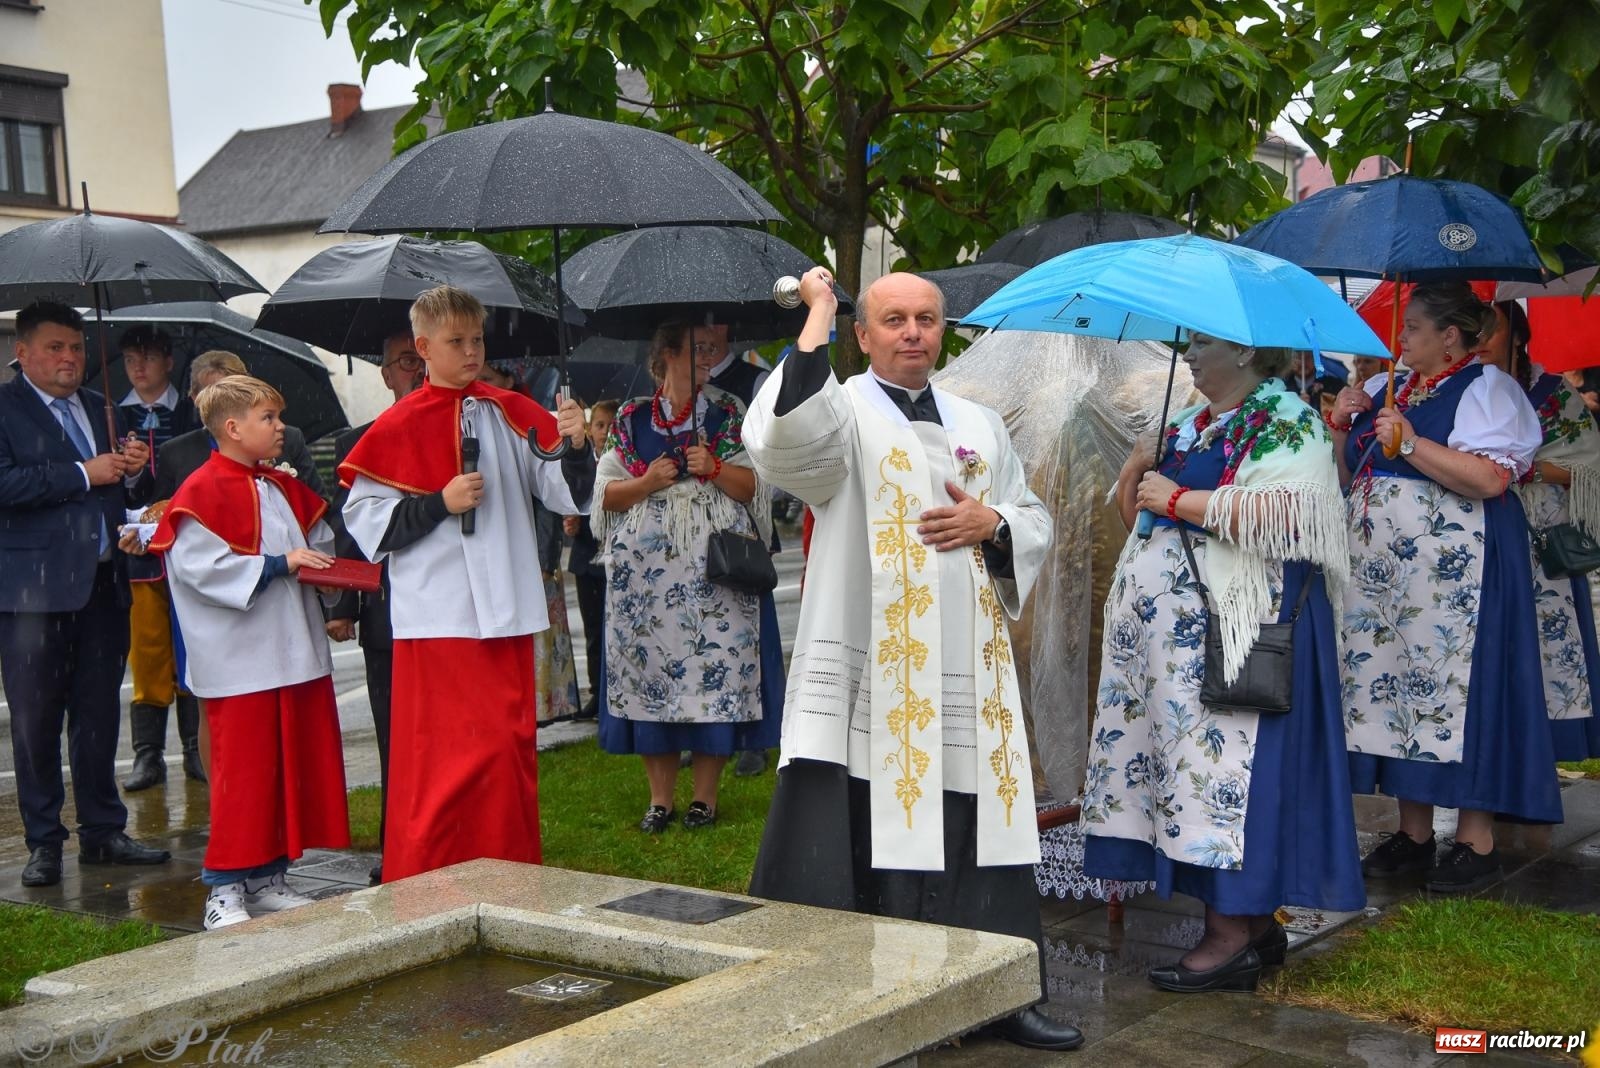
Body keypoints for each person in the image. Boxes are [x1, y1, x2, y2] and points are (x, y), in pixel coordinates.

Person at [743, 270, 1077, 1052]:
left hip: (963, 656)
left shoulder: (980, 421)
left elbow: (1030, 516)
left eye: (927, 319)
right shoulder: (840, 408)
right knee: (861, 813)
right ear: (864, 334)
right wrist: (817, 316)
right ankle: (865, 993)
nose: (913, 333)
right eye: (893, 319)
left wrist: (992, 520)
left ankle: (1000, 993)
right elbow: (787, 444)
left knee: (975, 824)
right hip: (872, 658)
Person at [1081, 333, 1362, 993]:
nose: (1188, 353)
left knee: (1231, 782)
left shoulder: (1290, 425)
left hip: (1239, 633)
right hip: (1171, 652)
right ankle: (1253, 929)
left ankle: (1232, 934)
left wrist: (1176, 499)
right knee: (1189, 781)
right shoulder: (1188, 429)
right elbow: (1140, 521)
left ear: (1243, 353)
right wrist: (1135, 473)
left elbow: (1290, 518)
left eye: (1201, 343)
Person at [340, 286, 591, 882]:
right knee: (442, 761)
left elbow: (566, 493)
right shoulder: (395, 426)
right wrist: (437, 503)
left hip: (504, 609)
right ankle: (432, 877)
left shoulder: (510, 411)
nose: (472, 350)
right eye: (457, 341)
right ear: (423, 347)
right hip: (438, 618)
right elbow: (368, 525)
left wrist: (578, 444)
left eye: (477, 339)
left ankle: (507, 871)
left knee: (503, 753)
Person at [1329, 281, 1561, 893]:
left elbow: (1489, 479)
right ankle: (1414, 834)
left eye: (1412, 330)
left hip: (1461, 568)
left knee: (1461, 691)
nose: (1400, 338)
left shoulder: (1488, 391)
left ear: (1449, 336)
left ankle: (1476, 841)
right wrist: (1342, 426)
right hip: (1391, 582)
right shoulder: (1390, 389)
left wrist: (1409, 440)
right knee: (1401, 689)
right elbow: (1358, 473)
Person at [149, 376, 349, 929]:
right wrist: (281, 564)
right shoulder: (201, 491)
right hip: (240, 662)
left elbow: (317, 540)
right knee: (245, 777)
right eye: (268, 417)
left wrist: (330, 574)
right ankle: (223, 892)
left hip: (290, 651)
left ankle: (267, 880)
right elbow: (198, 571)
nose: (280, 427)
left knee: (284, 773)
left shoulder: (278, 485)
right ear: (232, 428)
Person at [1, 301, 170, 889]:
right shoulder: (4, 408)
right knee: (36, 721)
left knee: (98, 714)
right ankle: (44, 841)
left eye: (75, 347)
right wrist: (84, 472)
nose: (70, 358)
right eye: (55, 348)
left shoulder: (103, 409)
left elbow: (127, 488)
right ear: (21, 353)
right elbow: (5, 484)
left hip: (103, 586)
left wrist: (132, 471)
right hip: (33, 596)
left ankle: (103, 831)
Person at [594, 321, 777, 831]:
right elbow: (603, 497)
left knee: (711, 667)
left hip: (712, 569)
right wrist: (648, 481)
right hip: (646, 575)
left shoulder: (725, 414)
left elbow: (755, 489)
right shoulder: (630, 421)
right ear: (668, 354)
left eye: (711, 350)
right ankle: (660, 799)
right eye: (697, 349)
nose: (708, 358)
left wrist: (714, 467)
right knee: (651, 670)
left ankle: (705, 797)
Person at [1476, 302, 1600, 764]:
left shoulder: (1551, 393)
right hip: (1480, 529)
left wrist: (1526, 468)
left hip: (1541, 539)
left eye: (1495, 326)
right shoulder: (1467, 391)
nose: (1484, 335)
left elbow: (1587, 465)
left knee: (1545, 642)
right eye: (1477, 327)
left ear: (1518, 336)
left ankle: (1538, 751)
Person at [326, 330, 426, 884]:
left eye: (421, 358)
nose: (415, 370)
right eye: (404, 362)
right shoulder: (359, 441)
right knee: (394, 735)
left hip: (448, 613)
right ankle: (398, 848)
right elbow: (350, 529)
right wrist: (344, 602)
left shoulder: (463, 430)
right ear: (385, 374)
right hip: (387, 611)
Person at [692, 322, 785, 778]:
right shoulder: (674, 391)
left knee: (753, 633)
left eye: (711, 328)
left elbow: (769, 451)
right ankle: (709, 732)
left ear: (727, 328)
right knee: (703, 636)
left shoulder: (754, 382)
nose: (704, 340)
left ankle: (758, 736)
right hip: (694, 531)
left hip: (741, 525)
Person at [116, 325, 205, 791]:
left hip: (190, 554)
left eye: (148, 356)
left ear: (169, 361)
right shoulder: (112, 413)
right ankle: (148, 755)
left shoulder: (195, 410)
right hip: (141, 559)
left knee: (193, 648)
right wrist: (130, 480)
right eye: (131, 357)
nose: (138, 366)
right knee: (147, 654)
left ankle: (195, 747)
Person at [155, 351, 324, 502]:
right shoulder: (175, 452)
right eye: (214, 395)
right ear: (195, 399)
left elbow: (320, 504)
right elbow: (161, 516)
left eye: (235, 392)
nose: (227, 401)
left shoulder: (288, 438)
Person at [564, 399, 619, 721]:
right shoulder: (584, 464)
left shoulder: (623, 464)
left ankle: (615, 692)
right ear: (588, 428)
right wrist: (572, 523)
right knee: (593, 629)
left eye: (611, 426)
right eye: (599, 425)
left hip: (613, 558)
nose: (604, 432)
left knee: (615, 628)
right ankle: (596, 692)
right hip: (587, 558)